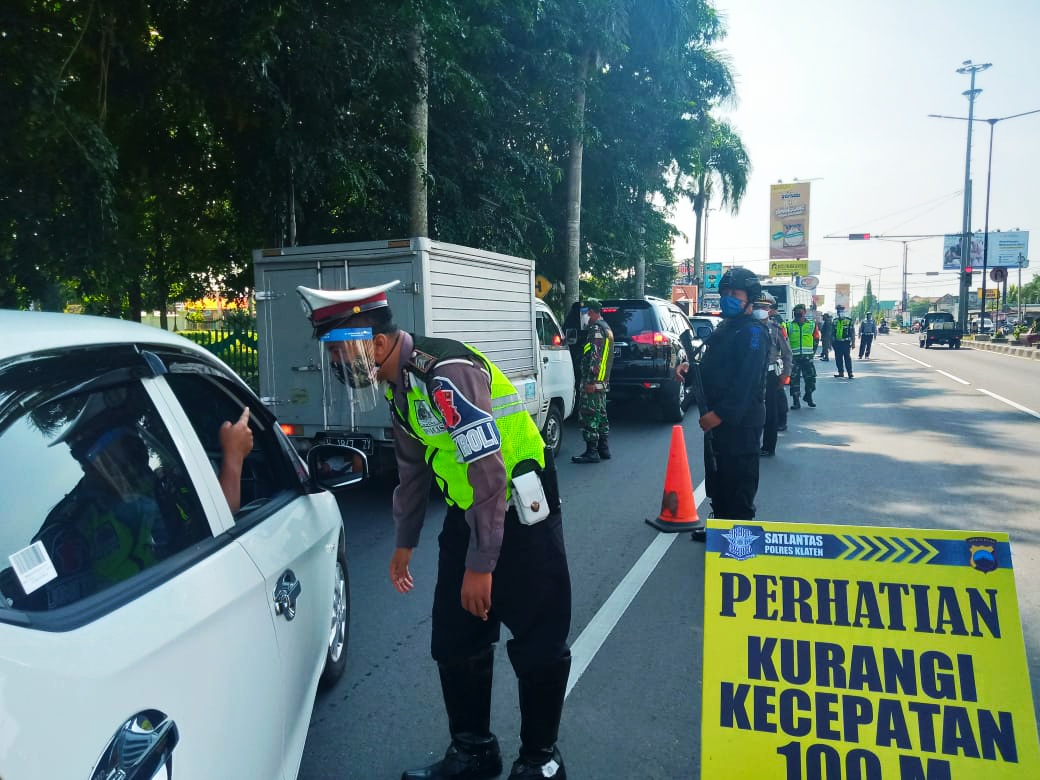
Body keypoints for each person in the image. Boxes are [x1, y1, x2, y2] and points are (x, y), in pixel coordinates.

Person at [297, 282, 572, 780]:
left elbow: (488, 469)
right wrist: (405, 542)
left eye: (340, 350)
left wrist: (481, 565)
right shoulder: (400, 384)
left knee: (538, 641)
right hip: (470, 514)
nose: (337, 363)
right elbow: (412, 468)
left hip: (520, 509)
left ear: (375, 344)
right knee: (455, 638)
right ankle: (473, 753)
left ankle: (541, 761)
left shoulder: (445, 374)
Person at [676, 267, 768, 538]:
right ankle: (719, 527)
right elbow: (711, 368)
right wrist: (689, 370)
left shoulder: (753, 332)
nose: (728, 297)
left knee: (739, 479)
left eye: (734, 293)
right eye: (724, 292)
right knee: (717, 475)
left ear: (749, 297)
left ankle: (739, 534)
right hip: (716, 419)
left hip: (740, 421)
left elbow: (747, 383)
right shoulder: (727, 328)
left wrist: (720, 414)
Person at [571, 299, 614, 464]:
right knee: (601, 415)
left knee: (589, 415)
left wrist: (590, 380)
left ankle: (592, 452)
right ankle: (604, 449)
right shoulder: (606, 328)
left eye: (587, 313)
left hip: (594, 382)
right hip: (602, 382)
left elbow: (595, 358)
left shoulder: (596, 329)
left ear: (594, 312)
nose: (586, 317)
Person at [755, 292, 792, 457]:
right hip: (751, 376)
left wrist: (785, 375)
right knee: (750, 412)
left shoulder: (775, 329)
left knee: (770, 413)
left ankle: (768, 447)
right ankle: (751, 444)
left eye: (764, 307)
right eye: (757, 307)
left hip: (770, 376)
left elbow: (787, 354)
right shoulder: (748, 327)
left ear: (770, 310)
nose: (760, 310)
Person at [785, 304, 819, 409]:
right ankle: (796, 401)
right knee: (794, 380)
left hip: (807, 358)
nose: (797, 314)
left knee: (811, 379)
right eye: (795, 312)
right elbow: (784, 341)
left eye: (799, 312)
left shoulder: (812, 325)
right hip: (794, 358)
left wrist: (812, 353)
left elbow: (816, 339)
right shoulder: (789, 325)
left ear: (804, 312)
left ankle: (808, 396)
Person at [832, 304, 855, 379]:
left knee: (847, 358)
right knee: (838, 358)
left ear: (844, 311)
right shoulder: (835, 321)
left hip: (846, 342)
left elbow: (852, 332)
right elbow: (832, 333)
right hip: (837, 343)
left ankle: (850, 373)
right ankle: (840, 372)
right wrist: (831, 343)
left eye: (841, 310)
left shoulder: (848, 320)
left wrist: (853, 343)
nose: (840, 312)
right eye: (838, 311)